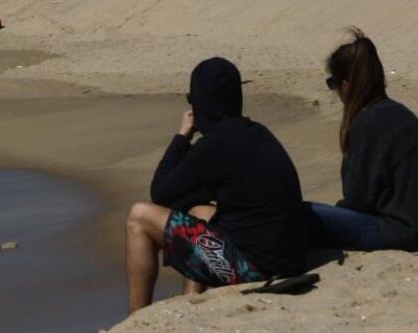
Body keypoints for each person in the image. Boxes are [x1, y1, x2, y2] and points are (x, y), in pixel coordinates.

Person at [125, 57, 307, 313]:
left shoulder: (215, 145)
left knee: (139, 217)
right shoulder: (257, 132)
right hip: (288, 258)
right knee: (199, 212)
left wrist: (182, 136)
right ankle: (191, 300)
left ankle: (134, 320)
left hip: (256, 267)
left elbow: (161, 193)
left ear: (202, 102)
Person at [307, 28, 418, 252]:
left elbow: (359, 199)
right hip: (407, 223)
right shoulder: (402, 114)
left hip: (398, 230)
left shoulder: (368, 122)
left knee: (302, 213)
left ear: (346, 85)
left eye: (333, 83)